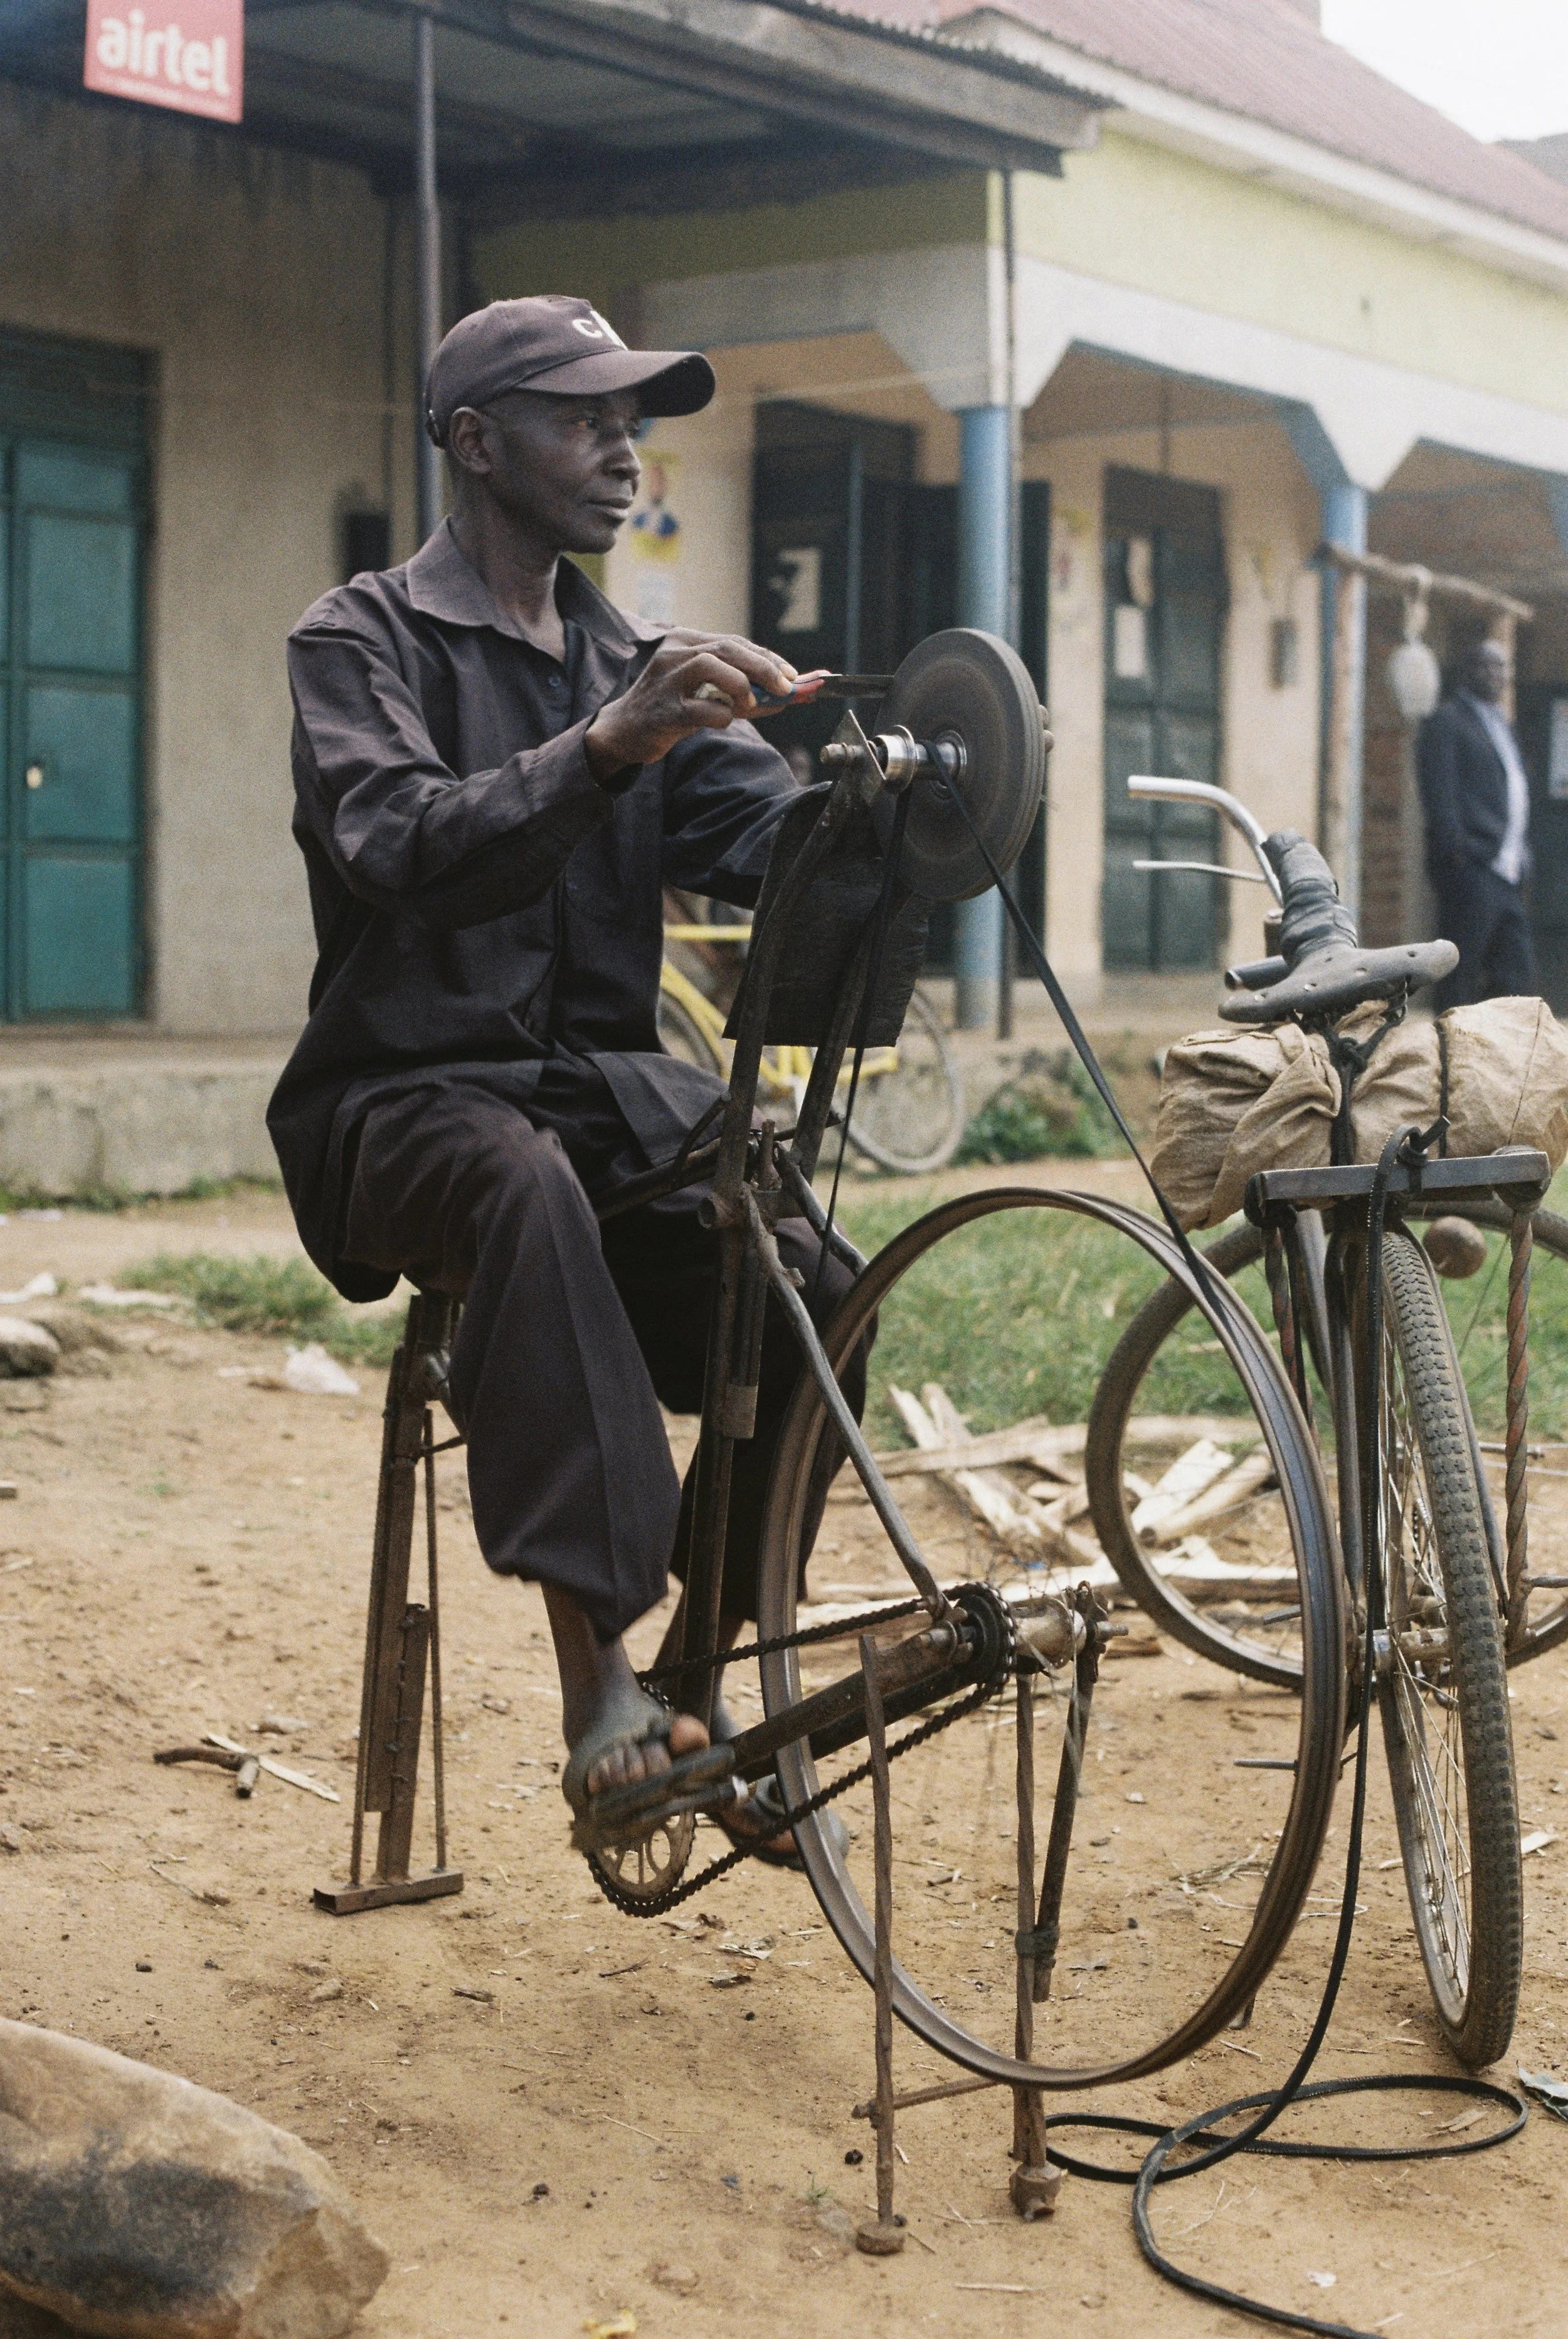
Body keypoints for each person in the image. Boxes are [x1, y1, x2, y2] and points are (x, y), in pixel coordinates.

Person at [268, 295, 869, 1854]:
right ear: (476, 443)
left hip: (597, 1105)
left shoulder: (630, 658)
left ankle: (696, 1683)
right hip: (400, 1107)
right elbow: (399, 841)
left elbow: (760, 835)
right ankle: (595, 1678)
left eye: (633, 418)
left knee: (813, 1276)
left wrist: (893, 795)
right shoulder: (359, 642)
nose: (623, 446)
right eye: (581, 415)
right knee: (522, 1188)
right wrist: (608, 746)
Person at [1416, 634, 1537, 1010]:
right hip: (1473, 867)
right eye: (1484, 665)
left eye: (1501, 666)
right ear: (1465, 672)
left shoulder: (1501, 724)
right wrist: (1458, 856)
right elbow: (1440, 795)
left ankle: (1501, 1060)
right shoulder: (1448, 720)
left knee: (1516, 974)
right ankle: (1448, 1057)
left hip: (1507, 870)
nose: (1494, 674)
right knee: (1459, 973)